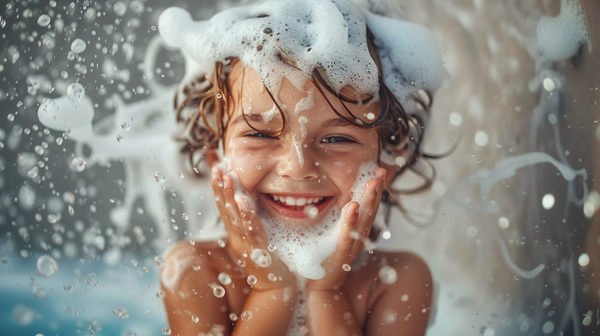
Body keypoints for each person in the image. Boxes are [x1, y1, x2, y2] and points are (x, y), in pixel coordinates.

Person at [158, 0, 443, 335]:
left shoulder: (398, 280)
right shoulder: (193, 271)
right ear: (217, 157)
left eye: (337, 140)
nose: (298, 167)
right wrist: (272, 289)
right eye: (261, 134)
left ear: (387, 164)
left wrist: (328, 292)